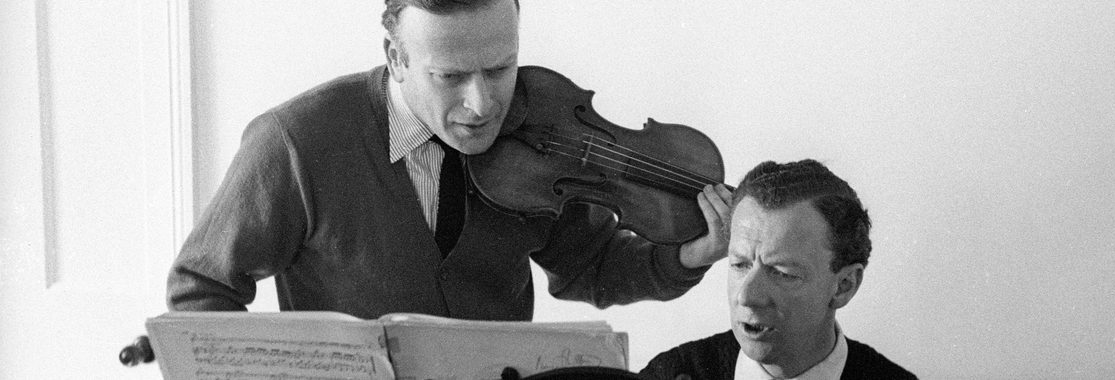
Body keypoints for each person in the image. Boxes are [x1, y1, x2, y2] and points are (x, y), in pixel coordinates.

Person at [165, 0, 732, 321]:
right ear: (397, 56)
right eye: (451, 76)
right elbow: (201, 291)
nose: (483, 105)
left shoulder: (544, 128)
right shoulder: (294, 142)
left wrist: (690, 253)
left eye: (500, 68)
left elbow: (591, 266)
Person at [640, 160, 914, 380]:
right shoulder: (671, 371)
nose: (747, 296)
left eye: (782, 273)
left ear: (844, 286)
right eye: (739, 264)